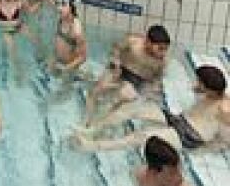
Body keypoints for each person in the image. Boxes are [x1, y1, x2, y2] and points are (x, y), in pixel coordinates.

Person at [75, 65, 230, 154]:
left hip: (189, 136)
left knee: (141, 137)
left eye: (199, 82)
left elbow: (225, 138)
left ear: (208, 87)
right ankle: (92, 129)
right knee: (132, 110)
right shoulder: (212, 94)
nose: (196, 84)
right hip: (179, 120)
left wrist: (204, 150)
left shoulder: (225, 109)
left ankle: (91, 146)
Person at [83, 24, 171, 128]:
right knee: (96, 91)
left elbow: (156, 80)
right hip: (119, 69)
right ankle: (86, 120)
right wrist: (115, 62)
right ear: (148, 41)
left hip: (137, 80)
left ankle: (99, 124)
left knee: (120, 98)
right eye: (160, 48)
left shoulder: (162, 62)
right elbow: (116, 48)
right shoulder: (133, 42)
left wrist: (148, 93)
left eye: (165, 49)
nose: (163, 53)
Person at [47, 0, 87, 77]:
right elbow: (53, 1)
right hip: (57, 63)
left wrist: (66, 69)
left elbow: (83, 57)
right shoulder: (62, 15)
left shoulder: (76, 28)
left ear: (71, 5)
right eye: (57, 4)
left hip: (69, 69)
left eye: (63, 4)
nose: (59, 8)